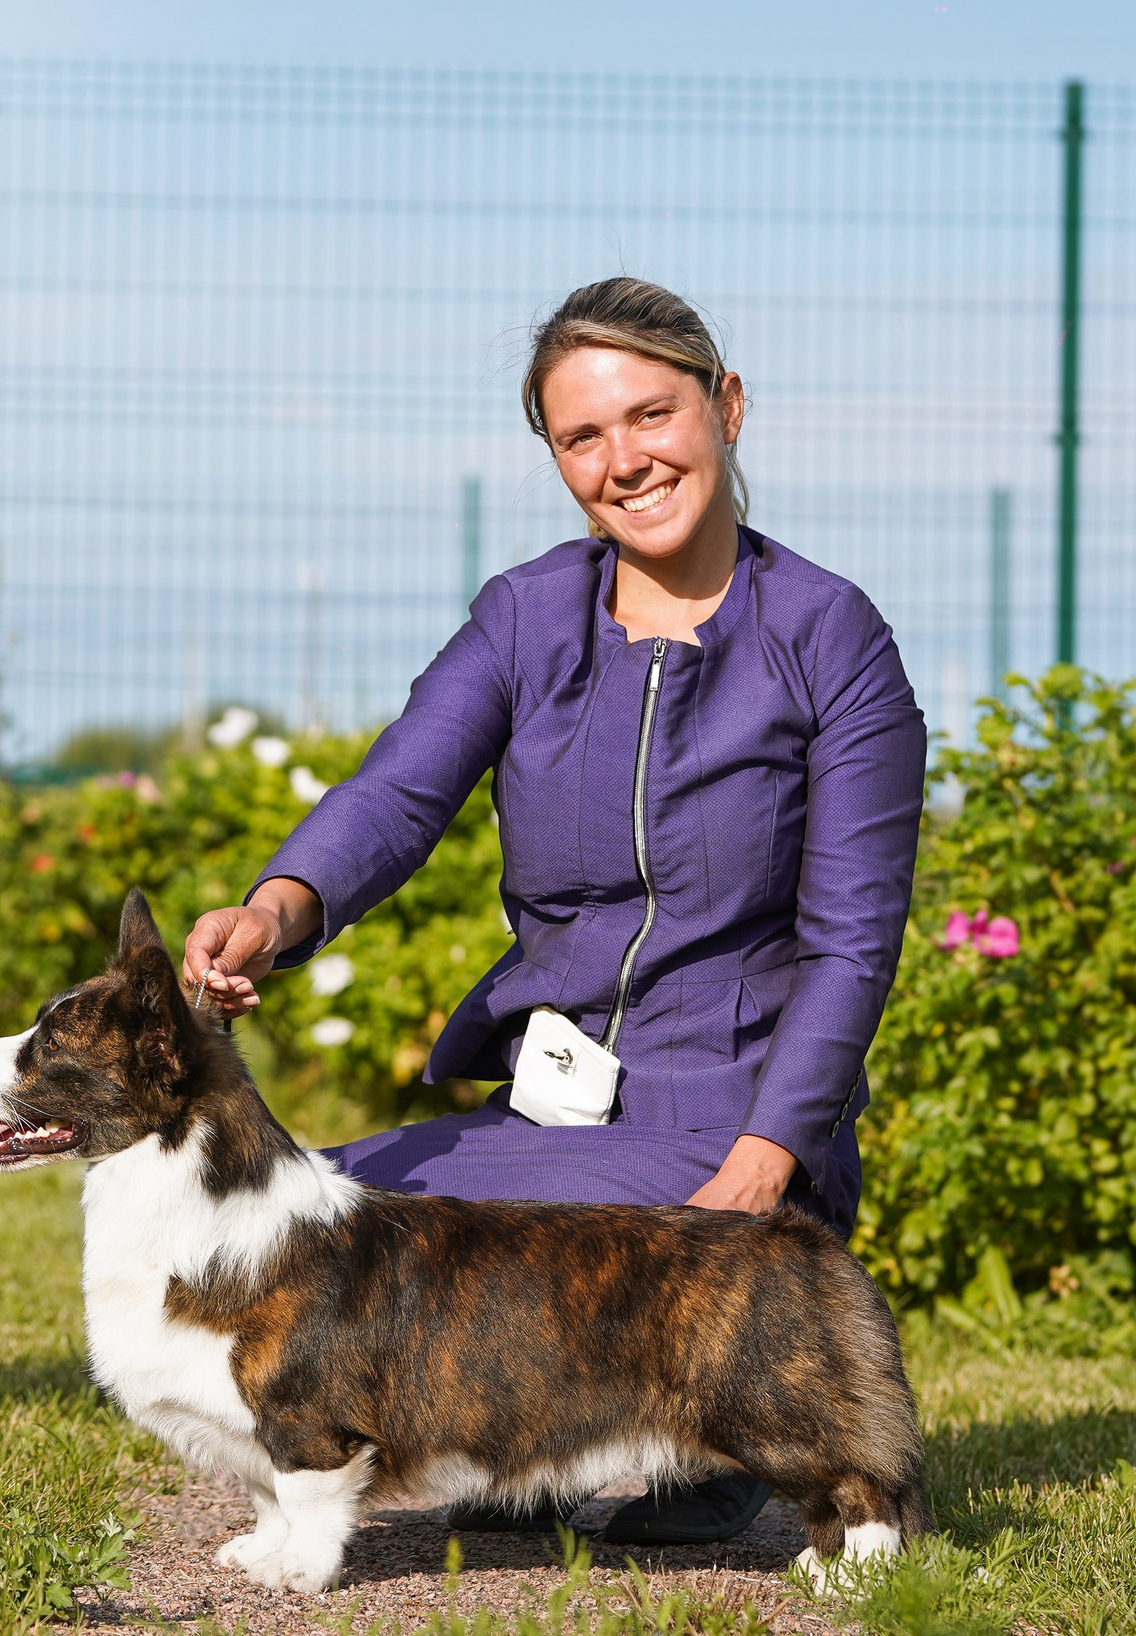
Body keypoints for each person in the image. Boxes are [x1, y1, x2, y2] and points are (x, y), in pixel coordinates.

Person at [182, 277, 926, 1546]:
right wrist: (276, 906)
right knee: (316, 1233)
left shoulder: (831, 637)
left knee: (469, 1277)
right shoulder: (525, 616)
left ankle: (715, 1429)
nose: (624, 460)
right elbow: (396, 795)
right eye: (582, 437)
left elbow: (853, 939)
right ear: (555, 457)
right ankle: (541, 1442)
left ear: (726, 406)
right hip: (556, 1108)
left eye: (651, 415)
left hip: (735, 1118)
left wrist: (765, 1164)